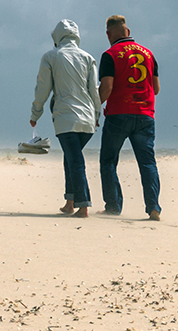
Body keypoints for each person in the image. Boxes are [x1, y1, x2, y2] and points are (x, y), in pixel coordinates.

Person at [30, 19, 102, 218]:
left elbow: (42, 89)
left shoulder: (50, 57)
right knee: (70, 157)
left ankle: (83, 206)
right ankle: (70, 202)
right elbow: (94, 91)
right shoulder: (88, 58)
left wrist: (35, 113)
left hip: (65, 118)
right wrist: (96, 114)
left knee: (75, 160)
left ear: (57, 36)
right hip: (87, 119)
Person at [98, 14, 162, 220]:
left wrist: (93, 107)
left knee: (108, 161)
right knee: (148, 163)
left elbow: (106, 88)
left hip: (119, 113)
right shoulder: (149, 54)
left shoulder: (110, 54)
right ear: (128, 32)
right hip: (145, 114)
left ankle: (113, 206)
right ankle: (153, 208)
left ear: (109, 34)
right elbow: (157, 89)